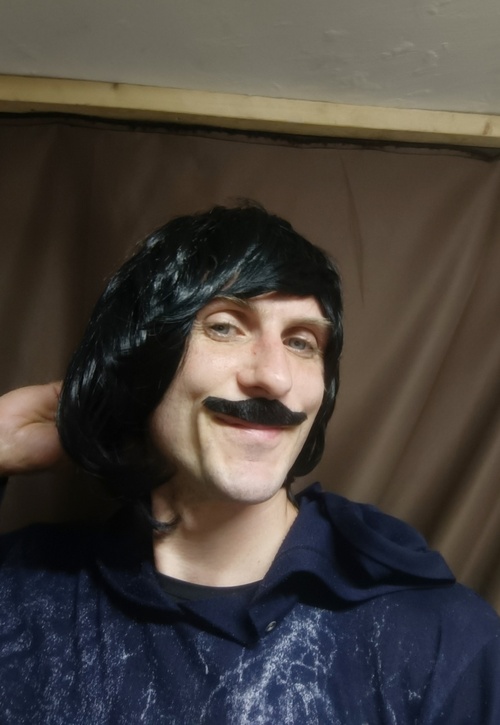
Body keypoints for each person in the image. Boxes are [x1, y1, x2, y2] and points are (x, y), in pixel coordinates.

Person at [0, 204, 499, 724]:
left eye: (301, 342)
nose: (274, 378)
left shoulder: (441, 641)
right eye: (225, 328)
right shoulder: (23, 593)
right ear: (140, 359)